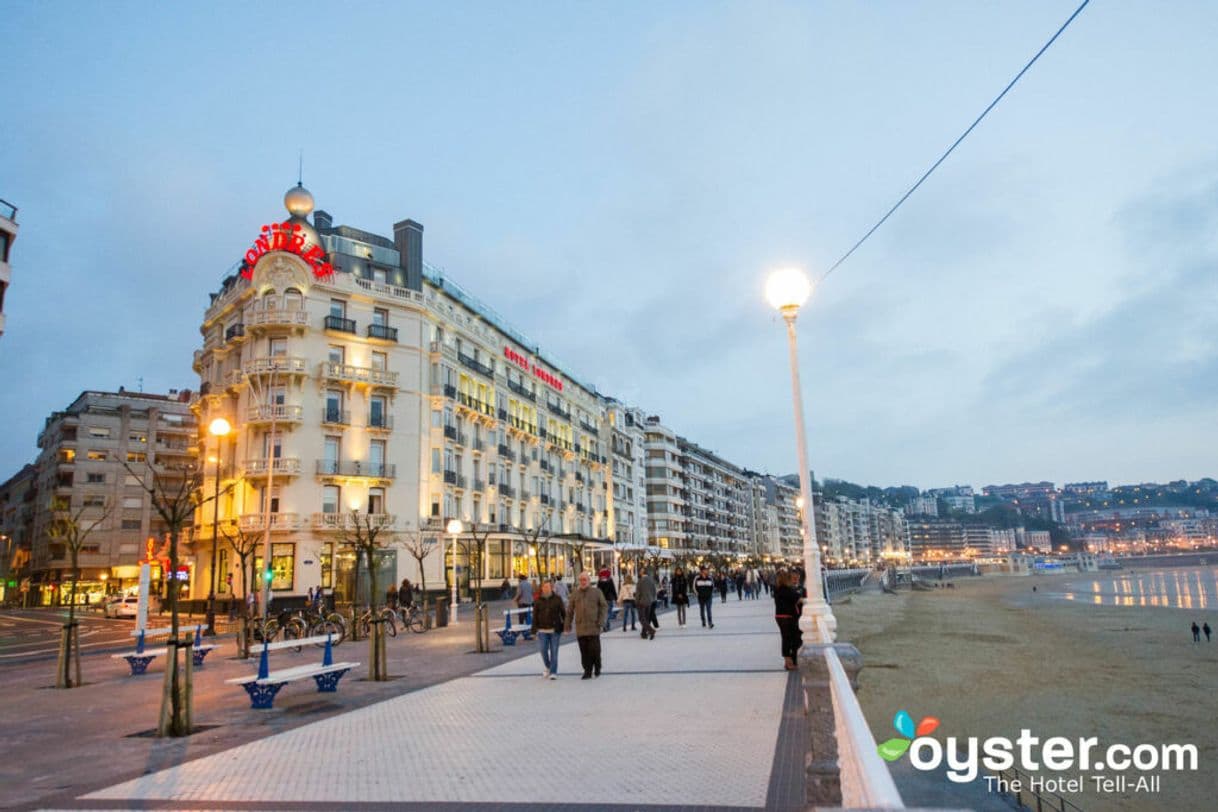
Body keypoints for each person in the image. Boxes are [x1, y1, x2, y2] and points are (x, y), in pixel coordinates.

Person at [566, 571, 608, 679]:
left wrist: (601, 621)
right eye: (581, 580)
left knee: (595, 650)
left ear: (589, 581)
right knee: (584, 651)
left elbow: (604, 606)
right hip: (581, 627)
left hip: (594, 626)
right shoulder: (575, 594)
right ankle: (587, 671)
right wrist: (567, 625)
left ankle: (597, 666)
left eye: (585, 580)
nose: (583, 582)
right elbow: (570, 611)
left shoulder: (596, 592)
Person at [530, 580, 566, 679]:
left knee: (554, 651)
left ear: (552, 588)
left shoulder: (557, 599)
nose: (546, 588)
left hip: (555, 630)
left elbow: (563, 613)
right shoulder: (538, 601)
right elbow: (535, 617)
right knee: (543, 650)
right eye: (544, 587)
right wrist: (533, 631)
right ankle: (548, 666)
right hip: (542, 630)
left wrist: (566, 627)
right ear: (542, 588)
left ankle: (553, 672)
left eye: (548, 587)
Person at [773, 570, 803, 670]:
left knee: (786, 638)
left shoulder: (778, 589)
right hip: (786, 617)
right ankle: (789, 662)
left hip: (780, 616)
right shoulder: (785, 589)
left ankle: (788, 661)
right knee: (789, 639)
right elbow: (798, 599)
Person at [636, 569, 657, 640]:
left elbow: (638, 593)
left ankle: (651, 631)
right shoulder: (651, 580)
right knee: (646, 618)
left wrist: (636, 602)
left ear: (642, 573)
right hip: (650, 601)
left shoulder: (640, 581)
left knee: (641, 618)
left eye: (640, 571)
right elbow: (654, 591)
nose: (639, 572)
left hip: (642, 602)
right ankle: (643, 633)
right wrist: (652, 598)